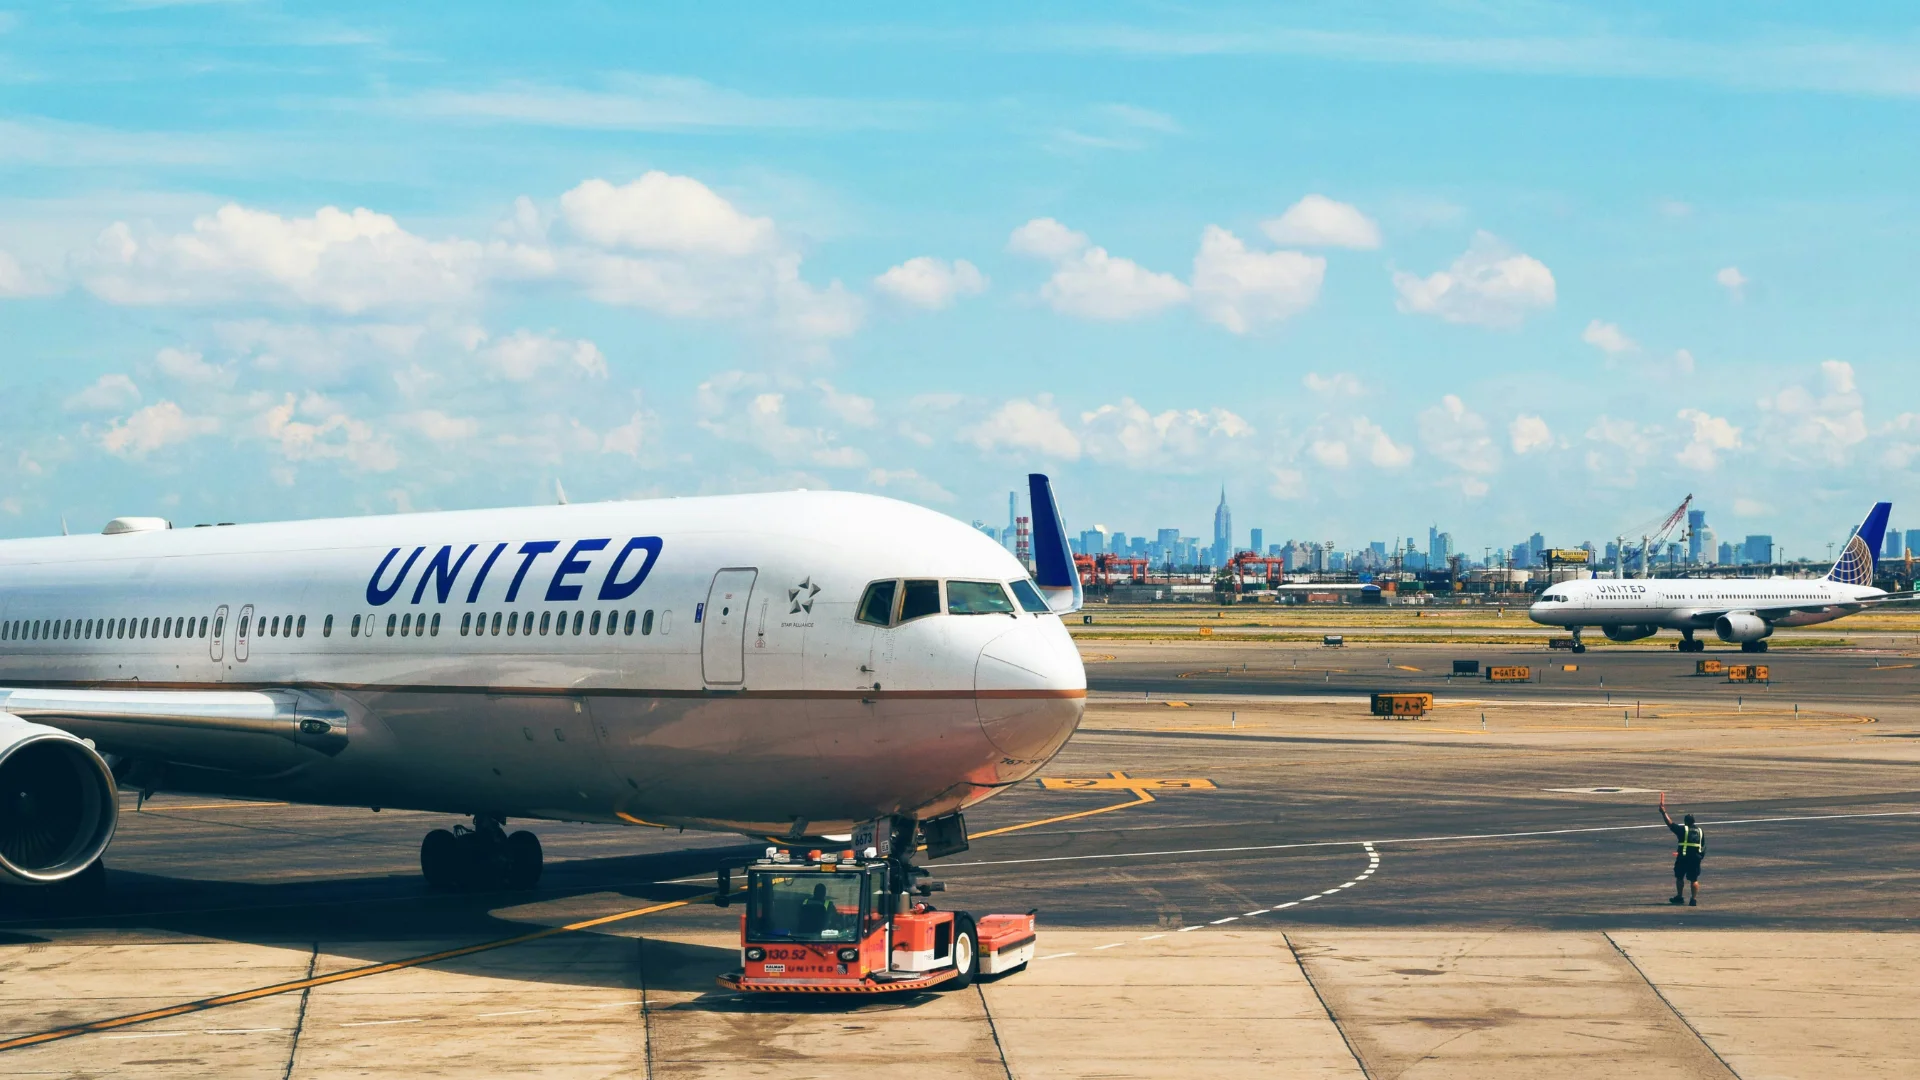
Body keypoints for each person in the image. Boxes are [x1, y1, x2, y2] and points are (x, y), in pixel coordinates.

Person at [1659, 792, 1704, 906]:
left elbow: (1670, 824)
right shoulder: (1700, 831)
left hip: (1683, 858)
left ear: (1685, 822)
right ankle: (1693, 899)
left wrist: (1663, 812)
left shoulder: (1683, 830)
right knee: (1694, 879)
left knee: (1679, 877)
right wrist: (1700, 857)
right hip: (1695, 859)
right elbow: (1703, 846)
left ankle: (1679, 896)